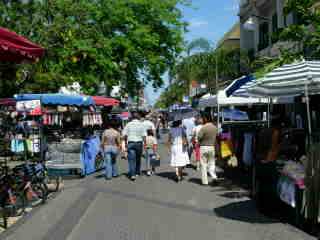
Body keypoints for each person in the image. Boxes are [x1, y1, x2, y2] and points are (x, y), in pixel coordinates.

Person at [122, 112, 147, 181]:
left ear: (132, 118)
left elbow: (124, 135)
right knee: (138, 159)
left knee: (131, 160)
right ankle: (137, 172)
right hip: (139, 143)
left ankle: (132, 175)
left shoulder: (128, 124)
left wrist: (124, 143)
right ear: (138, 117)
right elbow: (144, 135)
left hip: (131, 143)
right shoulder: (141, 124)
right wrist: (145, 144)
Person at [198, 113, 218, 185]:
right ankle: (214, 177)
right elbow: (217, 137)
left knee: (203, 164)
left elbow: (199, 137)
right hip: (212, 147)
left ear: (206, 119)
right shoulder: (215, 127)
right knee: (212, 163)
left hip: (203, 147)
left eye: (203, 118)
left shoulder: (203, 128)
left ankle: (205, 182)